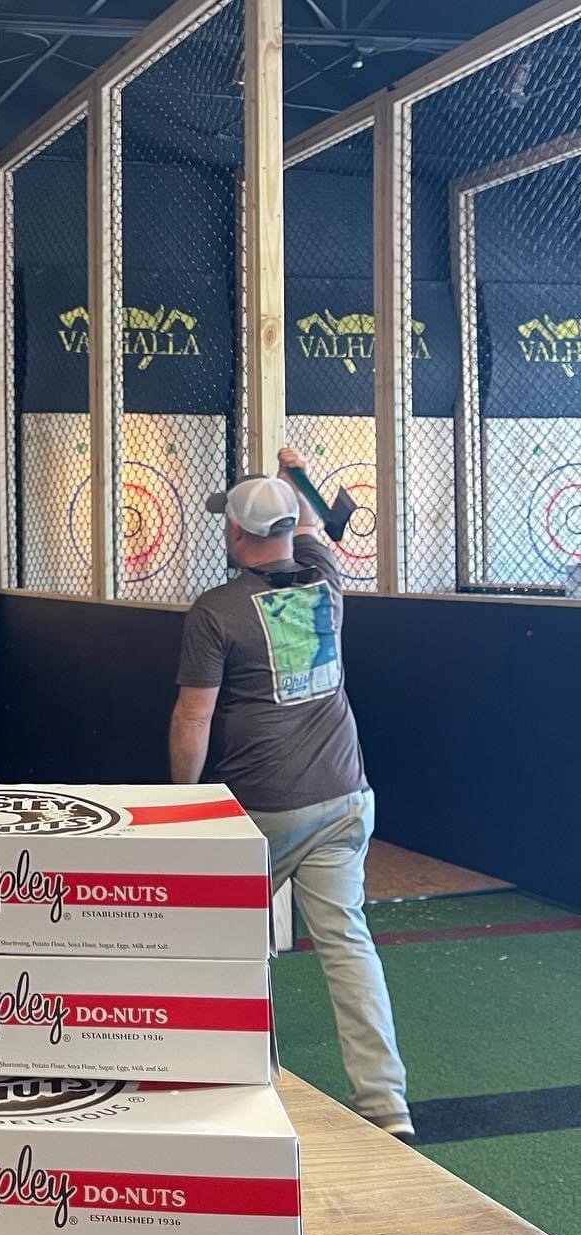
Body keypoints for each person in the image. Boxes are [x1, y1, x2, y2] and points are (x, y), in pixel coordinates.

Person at [169, 447, 412, 1140]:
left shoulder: (216, 611)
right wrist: (297, 472)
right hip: (344, 797)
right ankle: (386, 1103)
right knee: (347, 942)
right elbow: (311, 530)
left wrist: (183, 803)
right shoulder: (326, 580)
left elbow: (194, 716)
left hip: (265, 810)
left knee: (224, 939)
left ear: (237, 535)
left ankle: (241, 1081)